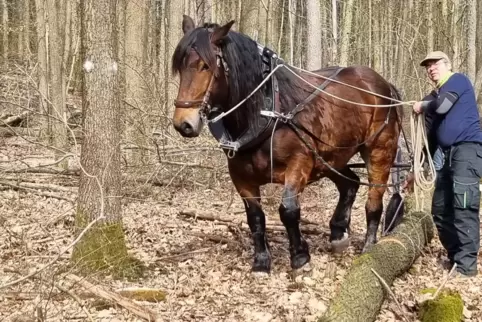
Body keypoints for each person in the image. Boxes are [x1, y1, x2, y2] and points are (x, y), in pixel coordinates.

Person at [404, 51, 482, 278]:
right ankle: (456, 257)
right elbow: (427, 137)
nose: (431, 68)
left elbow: (442, 106)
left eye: (435, 63)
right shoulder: (433, 97)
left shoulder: (457, 81)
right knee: (439, 210)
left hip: (467, 149)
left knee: (463, 206)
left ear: (447, 65)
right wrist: (415, 169)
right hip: (445, 153)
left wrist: (423, 105)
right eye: (427, 66)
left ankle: (467, 268)